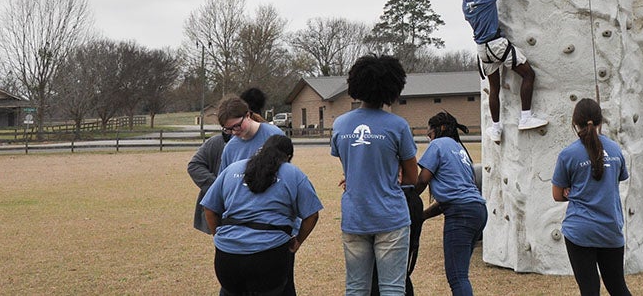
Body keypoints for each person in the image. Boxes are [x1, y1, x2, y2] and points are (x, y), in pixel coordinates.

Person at [331, 54, 420, 296]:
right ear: (393, 87)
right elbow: (412, 177)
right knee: (392, 288)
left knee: (356, 288)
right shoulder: (398, 126)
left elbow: (350, 165)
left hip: (355, 216)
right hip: (391, 217)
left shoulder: (340, 124)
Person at [453, 0, 547, 142]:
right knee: (528, 74)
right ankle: (525, 117)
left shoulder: (466, 4)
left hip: (482, 50)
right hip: (497, 44)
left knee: (494, 87)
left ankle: (495, 128)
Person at [200, 134, 322, 296]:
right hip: (269, 256)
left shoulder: (233, 169)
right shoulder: (292, 173)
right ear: (288, 156)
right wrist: (298, 240)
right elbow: (312, 215)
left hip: (227, 258)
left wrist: (218, 234)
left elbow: (209, 207)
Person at [551, 98, 633, 296]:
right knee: (617, 286)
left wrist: (572, 191)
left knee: (589, 289)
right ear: (600, 122)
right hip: (610, 228)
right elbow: (615, 180)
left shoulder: (567, 154)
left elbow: (557, 195)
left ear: (574, 123)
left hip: (580, 231)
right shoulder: (615, 150)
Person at [417, 111, 487, 296]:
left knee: (457, 277)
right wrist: (422, 216)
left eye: (429, 133)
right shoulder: (459, 149)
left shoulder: (438, 144)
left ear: (440, 129)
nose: (428, 137)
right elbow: (452, 197)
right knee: (461, 273)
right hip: (478, 211)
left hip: (461, 214)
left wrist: (408, 198)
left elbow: (423, 180)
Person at [190, 87, 269, 233]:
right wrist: (217, 187)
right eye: (230, 128)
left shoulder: (267, 139)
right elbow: (194, 165)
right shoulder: (216, 143)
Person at [218, 93, 286, 174]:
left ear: (247, 115)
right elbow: (224, 182)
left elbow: (285, 174)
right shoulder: (230, 149)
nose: (234, 132)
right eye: (228, 129)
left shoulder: (275, 135)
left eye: (237, 126)